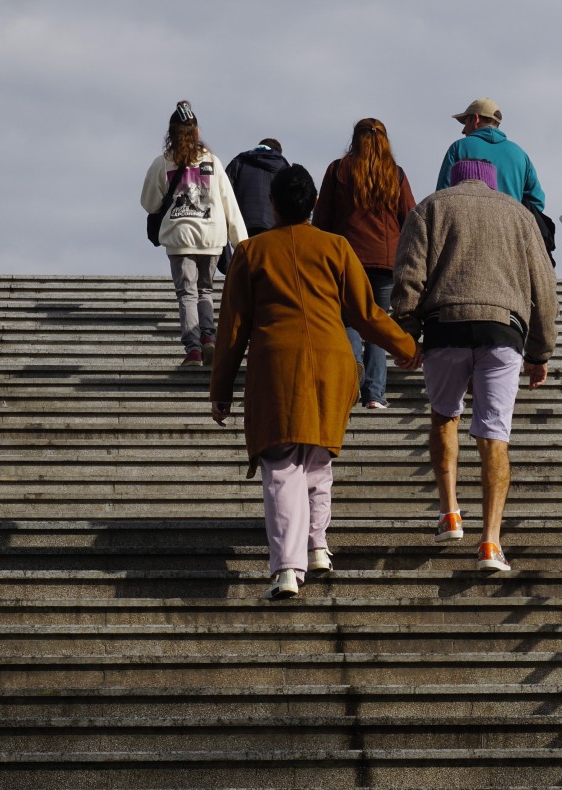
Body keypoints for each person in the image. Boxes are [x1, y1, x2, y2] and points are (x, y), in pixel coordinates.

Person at [209, 164, 421, 600]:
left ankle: (288, 568)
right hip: (333, 365)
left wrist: (221, 391)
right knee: (318, 457)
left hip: (278, 368)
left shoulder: (252, 253)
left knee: (282, 464)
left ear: (273, 205)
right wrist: (407, 347)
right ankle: (318, 544)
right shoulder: (336, 247)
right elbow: (366, 314)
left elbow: (232, 330)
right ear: (311, 207)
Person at [392, 158, 558, 572]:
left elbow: (409, 278)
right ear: (494, 182)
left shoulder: (429, 208)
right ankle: (490, 543)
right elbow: (545, 287)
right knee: (494, 433)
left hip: (444, 328)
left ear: (454, 180)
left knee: (444, 416)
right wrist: (540, 352)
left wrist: (408, 333)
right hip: (503, 332)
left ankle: (450, 512)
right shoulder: (520, 215)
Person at [314, 119, 417, 409]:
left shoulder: (338, 170)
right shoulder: (395, 174)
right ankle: (375, 395)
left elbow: (322, 217)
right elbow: (409, 218)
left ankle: (352, 373)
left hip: (346, 260)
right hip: (386, 263)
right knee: (379, 323)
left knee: (348, 321)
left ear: (355, 139)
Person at [140, 100, 246, 367]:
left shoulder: (163, 163)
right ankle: (209, 338)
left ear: (172, 133)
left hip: (181, 237)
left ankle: (194, 350)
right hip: (212, 238)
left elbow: (149, 203)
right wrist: (242, 243)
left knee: (186, 293)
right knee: (205, 290)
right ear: (196, 132)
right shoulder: (212, 161)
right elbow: (228, 203)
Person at [435, 97, 545, 212]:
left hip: (467, 227)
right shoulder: (521, 155)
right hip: (510, 227)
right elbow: (537, 202)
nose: (463, 130)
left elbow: (442, 198)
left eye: (466, 122)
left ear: (476, 119)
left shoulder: (458, 147)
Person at [225, 137, 289, 237]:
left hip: (243, 224)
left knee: (247, 251)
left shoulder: (240, 161)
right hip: (272, 225)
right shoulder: (283, 167)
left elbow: (225, 190)